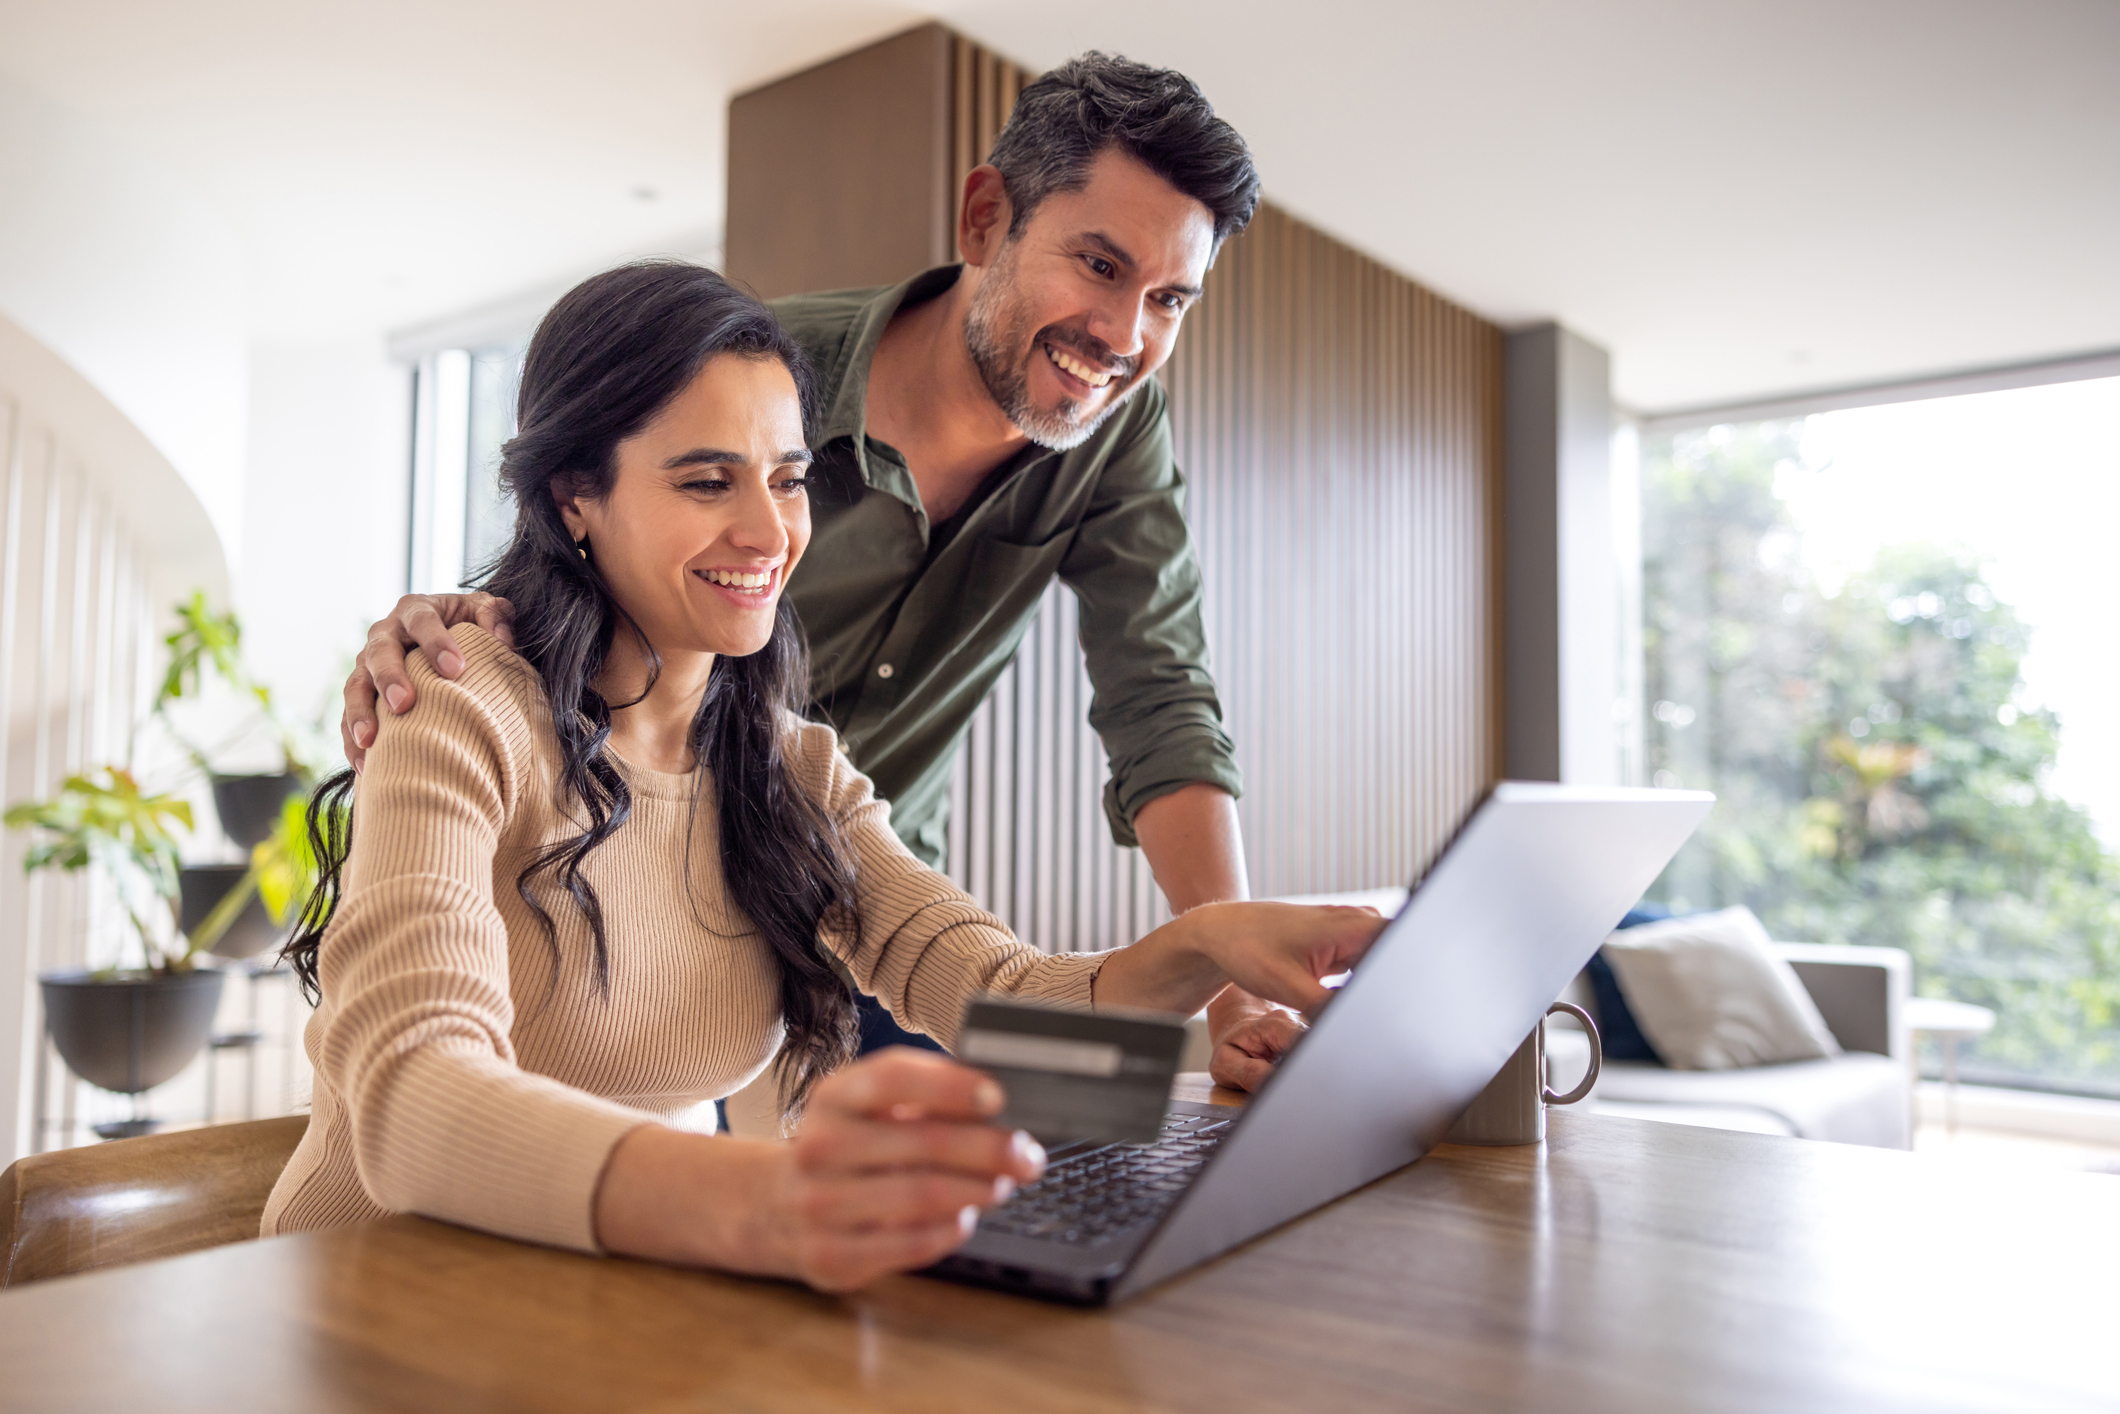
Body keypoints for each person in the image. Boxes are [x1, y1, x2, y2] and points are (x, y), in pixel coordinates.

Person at [262, 262, 1381, 1291]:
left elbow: (987, 991)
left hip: (592, 1311)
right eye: (706, 481)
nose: (767, 529)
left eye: (788, 478)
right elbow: (410, 1096)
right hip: (370, 1310)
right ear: (573, 497)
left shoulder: (792, 768)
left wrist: (1201, 946)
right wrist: (765, 1199)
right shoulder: (455, 708)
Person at [339, 54, 1303, 1091]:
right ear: (984, 220)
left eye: (1169, 298)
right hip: (634, 854)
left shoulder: (813, 770)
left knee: (1019, 1141)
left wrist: (1225, 971)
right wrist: (457, 651)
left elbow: (1157, 700)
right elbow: (579, 544)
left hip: (844, 873)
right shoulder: (753, 376)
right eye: (1101, 267)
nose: (1123, 337)